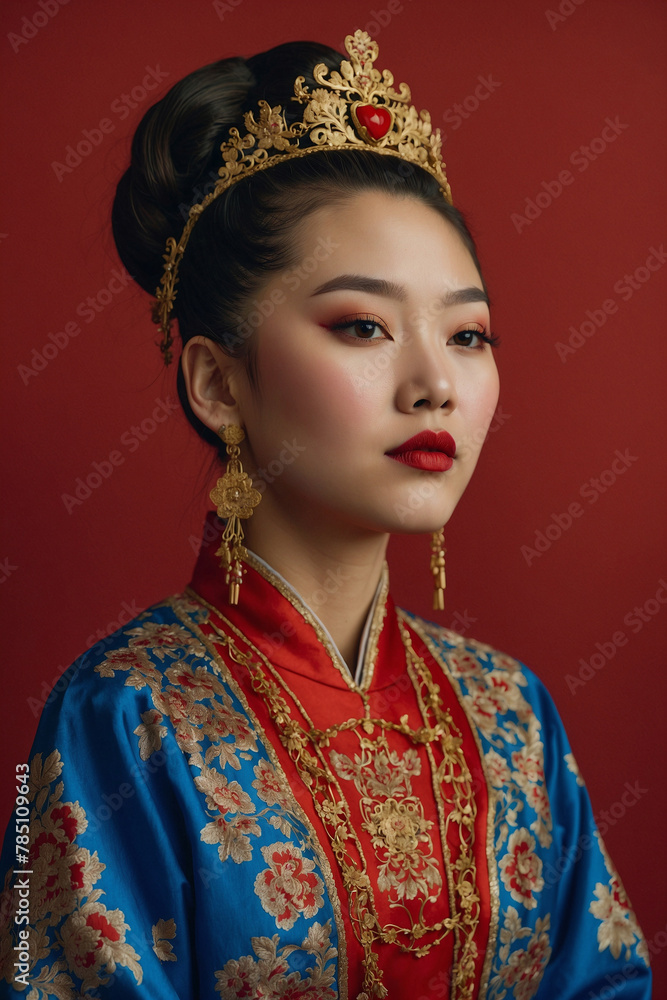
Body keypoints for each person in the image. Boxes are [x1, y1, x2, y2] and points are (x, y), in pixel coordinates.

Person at [0, 30, 651, 1000]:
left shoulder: (510, 712)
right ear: (218, 382)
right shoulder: (124, 714)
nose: (435, 383)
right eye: (362, 326)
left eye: (468, 334)